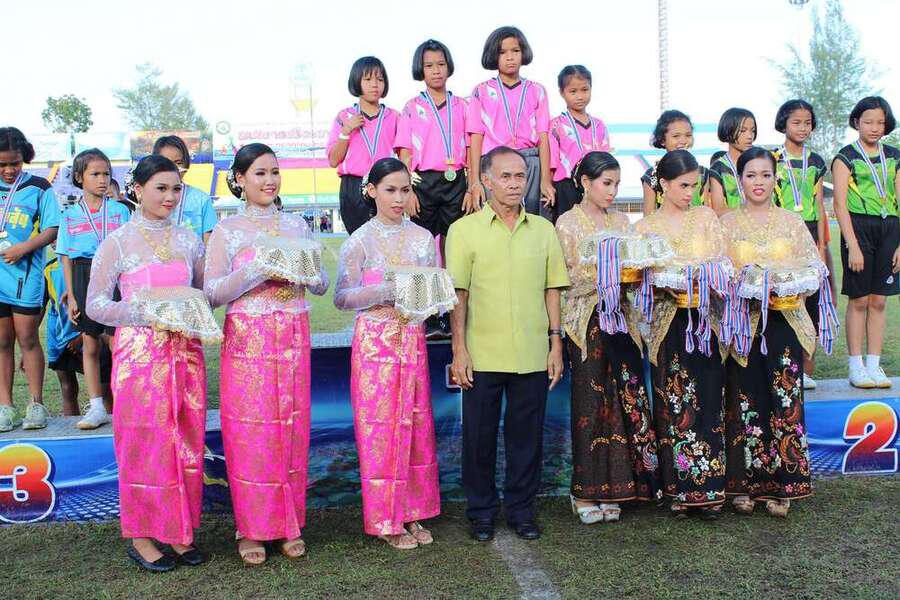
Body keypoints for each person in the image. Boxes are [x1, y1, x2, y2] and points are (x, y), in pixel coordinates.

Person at [205, 143, 328, 565]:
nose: (270, 180)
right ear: (239, 179)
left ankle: (288, 522)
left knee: (292, 427)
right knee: (251, 433)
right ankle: (251, 527)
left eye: (274, 172)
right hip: (248, 340)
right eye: (259, 173)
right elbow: (212, 292)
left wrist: (305, 271)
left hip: (293, 334)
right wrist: (259, 269)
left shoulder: (297, 225)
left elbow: (321, 284)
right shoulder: (227, 231)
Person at [86, 154, 208, 571]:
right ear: (137, 189)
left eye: (176, 189)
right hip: (139, 355)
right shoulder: (117, 242)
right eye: (161, 188)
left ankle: (178, 530)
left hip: (186, 352)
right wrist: (146, 310)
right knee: (143, 443)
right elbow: (96, 305)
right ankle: (140, 535)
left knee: (186, 440)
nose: (170, 197)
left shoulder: (190, 240)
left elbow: (204, 294)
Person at [446, 146, 569, 541]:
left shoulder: (544, 230)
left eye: (520, 176)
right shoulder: (464, 231)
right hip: (482, 354)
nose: (515, 184)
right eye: (506, 176)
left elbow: (553, 289)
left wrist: (555, 344)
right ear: (486, 180)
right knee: (478, 439)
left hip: (533, 352)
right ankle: (481, 512)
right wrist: (459, 350)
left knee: (526, 438)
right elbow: (458, 295)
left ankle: (521, 510)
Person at [334, 158, 441, 550]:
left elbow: (433, 293)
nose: (398, 198)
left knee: (415, 424)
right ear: (371, 191)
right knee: (380, 428)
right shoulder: (359, 240)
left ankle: (412, 512)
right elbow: (342, 297)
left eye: (404, 190)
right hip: (374, 342)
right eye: (390, 190)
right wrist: (386, 290)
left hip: (412, 337)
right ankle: (385, 518)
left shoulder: (423, 239)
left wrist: (426, 297)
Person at [721, 146, 834, 518]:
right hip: (744, 324)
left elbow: (814, 267)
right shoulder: (726, 224)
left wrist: (787, 283)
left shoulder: (791, 221)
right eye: (751, 175)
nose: (759, 182)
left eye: (766, 175)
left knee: (784, 400)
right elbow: (718, 273)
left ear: (775, 179)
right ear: (740, 179)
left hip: (784, 321)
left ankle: (784, 486)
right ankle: (744, 486)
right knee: (745, 400)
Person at [555, 152, 659, 524]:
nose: (613, 191)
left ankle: (620, 488)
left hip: (623, 322)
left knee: (623, 401)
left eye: (616, 184)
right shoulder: (567, 223)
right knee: (590, 405)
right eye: (606, 183)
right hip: (586, 322)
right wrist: (605, 275)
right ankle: (584, 492)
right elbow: (563, 279)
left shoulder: (622, 221)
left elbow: (635, 267)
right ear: (585, 182)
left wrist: (629, 273)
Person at [635, 149, 730, 519]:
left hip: (705, 322)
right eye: (683, 185)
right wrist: (663, 282)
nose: (690, 193)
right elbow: (639, 282)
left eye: (694, 186)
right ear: (663, 184)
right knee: (674, 402)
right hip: (667, 324)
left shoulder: (706, 217)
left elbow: (722, 261)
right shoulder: (645, 228)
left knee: (708, 398)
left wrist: (707, 276)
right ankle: (677, 489)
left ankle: (710, 488)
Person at [56, 148, 130, 429]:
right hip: (83, 274)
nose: (102, 180)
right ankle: (96, 406)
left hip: (115, 275)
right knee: (90, 342)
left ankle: (124, 402)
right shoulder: (70, 215)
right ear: (79, 177)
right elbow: (65, 256)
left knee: (116, 342)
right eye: (95, 174)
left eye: (106, 174)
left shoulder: (121, 211)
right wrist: (72, 295)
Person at [832, 96, 899, 389]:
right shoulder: (846, 157)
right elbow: (839, 205)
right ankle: (855, 366)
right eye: (868, 122)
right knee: (859, 299)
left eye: (880, 122)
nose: (874, 128)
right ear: (857, 122)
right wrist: (853, 245)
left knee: (879, 300)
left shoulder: (894, 156)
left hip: (890, 228)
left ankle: (874, 364)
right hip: (859, 228)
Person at [0, 127, 59, 432]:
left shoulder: (39, 187)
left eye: (15, 163)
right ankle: (5, 407)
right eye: (2, 164)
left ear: (25, 158)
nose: (9, 170)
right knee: (2, 342)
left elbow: (52, 229)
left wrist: (24, 248)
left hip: (24, 276)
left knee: (28, 339)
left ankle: (36, 404)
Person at [466, 26, 553, 218]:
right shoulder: (481, 91)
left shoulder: (537, 90)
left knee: (530, 220)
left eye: (515, 51)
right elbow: (476, 138)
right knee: (495, 219)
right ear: (493, 55)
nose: (510, 57)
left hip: (530, 162)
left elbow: (543, 137)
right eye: (502, 52)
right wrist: (475, 182)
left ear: (523, 53)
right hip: (494, 162)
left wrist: (546, 180)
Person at [772, 100, 829, 390]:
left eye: (807, 123)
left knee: (812, 303)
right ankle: (784, 368)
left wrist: (821, 246)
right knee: (788, 300)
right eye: (796, 122)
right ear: (783, 124)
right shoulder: (772, 158)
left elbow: (819, 205)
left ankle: (806, 369)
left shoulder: (816, 161)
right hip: (782, 233)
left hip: (811, 230)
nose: (803, 128)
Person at [327, 56, 399, 235]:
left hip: (385, 183)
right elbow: (333, 160)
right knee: (358, 240)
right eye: (368, 79)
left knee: (386, 239)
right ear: (356, 82)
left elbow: (404, 154)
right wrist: (346, 131)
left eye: (380, 79)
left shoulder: (395, 117)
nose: (374, 84)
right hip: (353, 185)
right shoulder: (344, 116)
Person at [549, 65, 611, 221]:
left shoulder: (599, 125)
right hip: (566, 186)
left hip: (595, 184)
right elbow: (552, 163)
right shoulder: (556, 125)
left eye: (584, 90)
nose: (580, 96)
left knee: (596, 225)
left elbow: (606, 161)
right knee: (567, 226)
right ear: (562, 92)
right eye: (573, 91)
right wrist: (548, 186)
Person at [641, 110, 709, 215]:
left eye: (688, 135)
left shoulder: (703, 173)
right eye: (676, 136)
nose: (683, 141)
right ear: (662, 140)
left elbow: (706, 212)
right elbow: (648, 217)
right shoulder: (652, 176)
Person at [153, 135, 217, 243]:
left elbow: (210, 245)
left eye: (178, 163)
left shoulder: (201, 199)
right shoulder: (149, 197)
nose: (173, 168)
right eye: (166, 163)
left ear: (186, 163)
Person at [709, 108, 757, 214]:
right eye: (743, 131)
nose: (750, 136)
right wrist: (751, 211)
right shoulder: (718, 168)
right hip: (735, 223)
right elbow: (718, 211)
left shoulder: (761, 161)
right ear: (728, 130)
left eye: (752, 131)